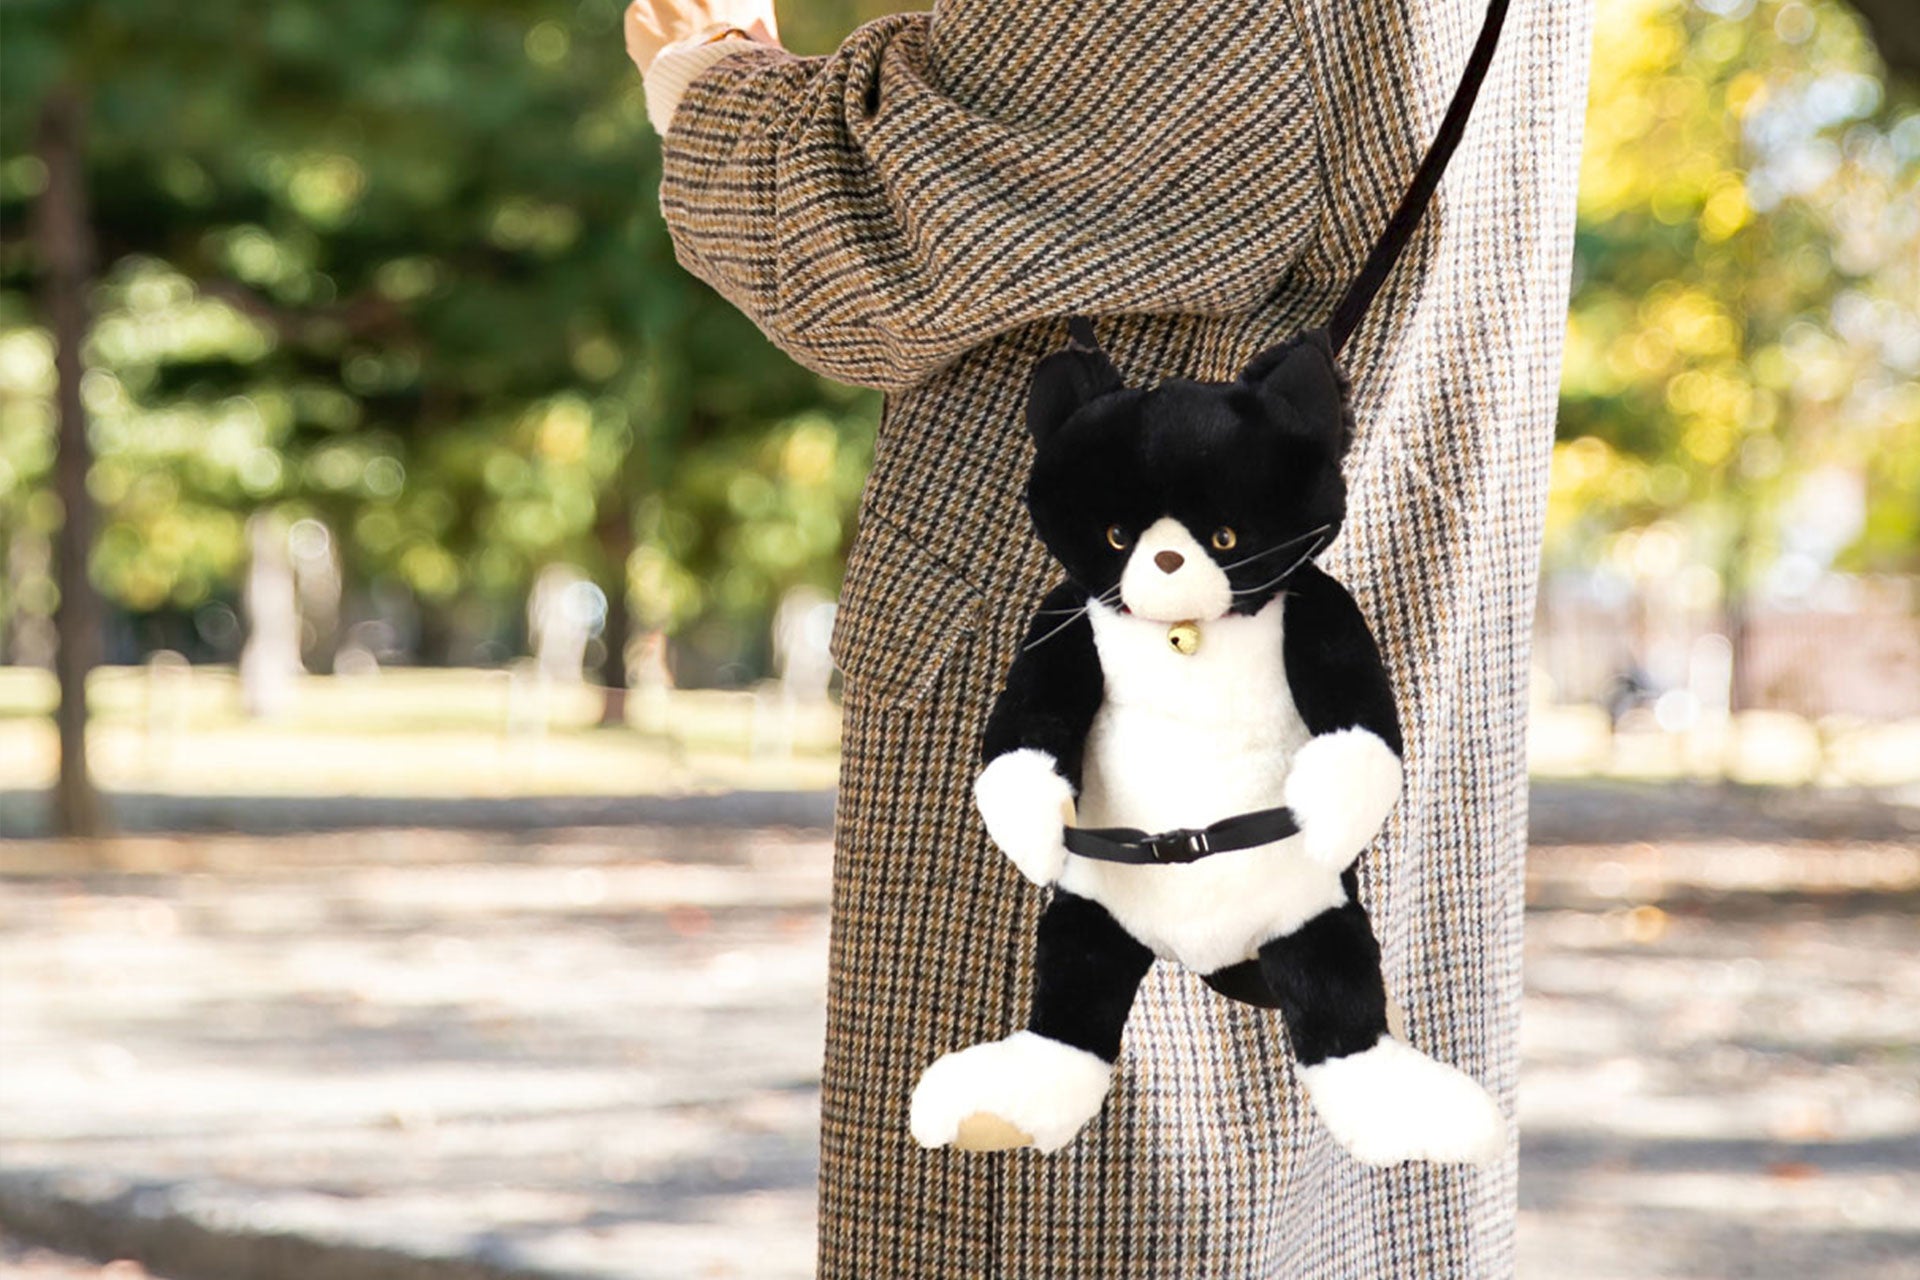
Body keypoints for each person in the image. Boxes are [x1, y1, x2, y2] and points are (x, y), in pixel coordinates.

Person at [626, 1, 1589, 1274]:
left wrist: (704, 77)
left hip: (1118, 748)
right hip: (1341, 671)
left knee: (1063, 1200)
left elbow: (896, 221)